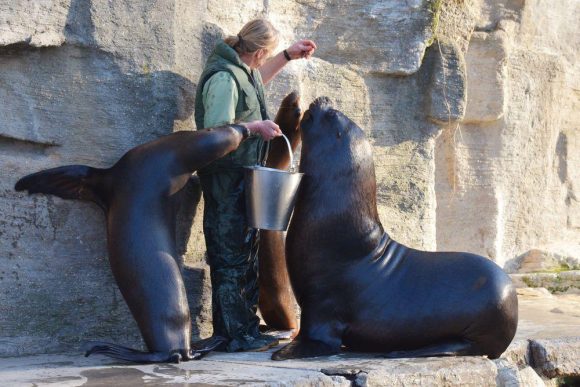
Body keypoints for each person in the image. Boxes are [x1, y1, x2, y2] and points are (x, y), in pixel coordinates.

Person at [194, 19, 316, 352]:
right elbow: (218, 132)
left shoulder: (238, 69)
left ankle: (244, 328)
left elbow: (254, 82)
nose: (266, 61)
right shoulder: (222, 78)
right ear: (259, 52)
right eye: (270, 55)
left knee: (243, 254)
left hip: (239, 175)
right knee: (231, 257)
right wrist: (254, 128)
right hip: (225, 178)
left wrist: (288, 56)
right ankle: (233, 335)